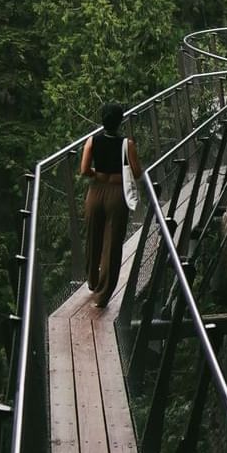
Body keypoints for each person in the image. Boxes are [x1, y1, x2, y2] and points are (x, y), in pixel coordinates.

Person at [80, 101, 143, 308]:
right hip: (117, 194)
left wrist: (97, 174)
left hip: (95, 192)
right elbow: (136, 172)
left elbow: (84, 170)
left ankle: (91, 280)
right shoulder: (128, 144)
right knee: (112, 243)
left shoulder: (92, 140)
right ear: (120, 120)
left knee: (92, 237)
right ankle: (102, 294)